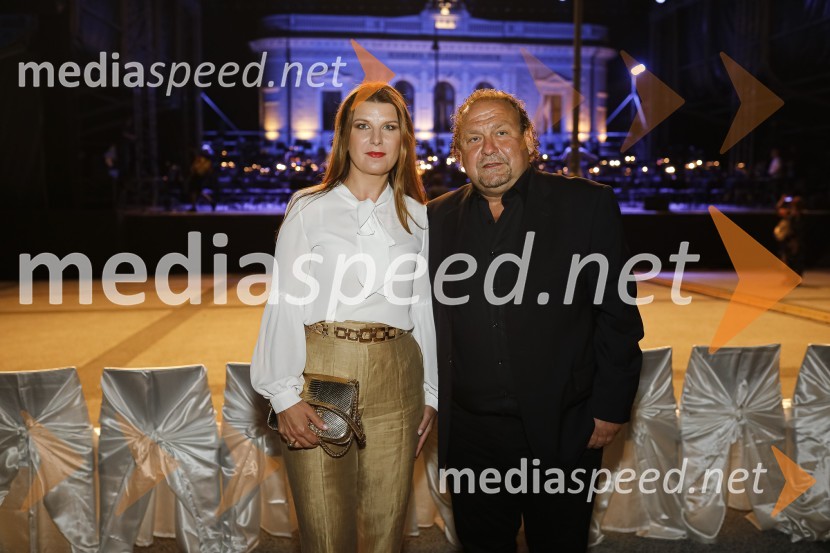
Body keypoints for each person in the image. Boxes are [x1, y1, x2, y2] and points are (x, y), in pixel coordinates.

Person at [427, 89, 644, 552]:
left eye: (501, 132)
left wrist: (610, 407)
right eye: (473, 138)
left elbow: (618, 315)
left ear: (529, 139)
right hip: (471, 434)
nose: (489, 148)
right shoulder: (435, 219)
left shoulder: (586, 205)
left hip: (564, 426)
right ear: (458, 153)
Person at [250, 82, 438, 553]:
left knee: (384, 533)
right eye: (363, 126)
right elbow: (285, 301)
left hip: (399, 375)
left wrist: (431, 392)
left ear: (403, 140)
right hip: (322, 372)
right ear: (344, 137)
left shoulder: (419, 216)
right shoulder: (309, 207)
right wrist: (282, 394)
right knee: (325, 531)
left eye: (389, 128)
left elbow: (422, 307)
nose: (376, 139)